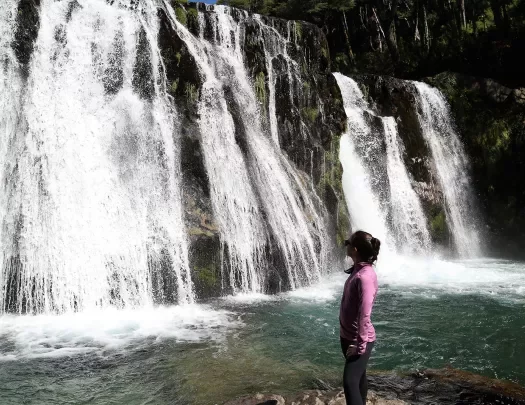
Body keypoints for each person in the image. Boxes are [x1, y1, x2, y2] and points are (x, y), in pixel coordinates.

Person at [339, 230, 380, 405]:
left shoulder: (365, 277)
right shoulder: (358, 270)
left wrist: (360, 345)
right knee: (359, 378)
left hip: (358, 339)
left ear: (354, 249)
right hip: (348, 336)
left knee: (349, 382)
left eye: (348, 243)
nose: (345, 245)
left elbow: (365, 314)